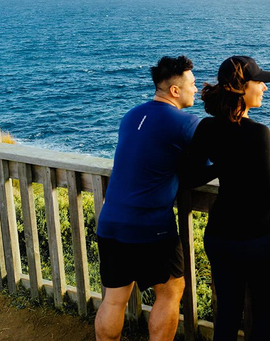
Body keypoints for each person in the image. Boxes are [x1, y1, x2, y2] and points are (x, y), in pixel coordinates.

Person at [189, 55, 270, 341]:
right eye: (260, 82)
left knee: (227, 318)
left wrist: (222, 165)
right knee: (262, 323)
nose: (265, 88)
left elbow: (189, 177)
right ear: (242, 87)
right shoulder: (259, 133)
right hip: (257, 241)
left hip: (220, 237)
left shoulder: (207, 128)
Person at [95, 55, 205, 341]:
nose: (197, 89)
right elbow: (205, 166)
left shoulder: (131, 115)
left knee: (114, 299)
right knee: (170, 293)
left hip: (111, 222)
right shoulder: (186, 123)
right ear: (174, 91)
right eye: (192, 84)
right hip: (151, 226)